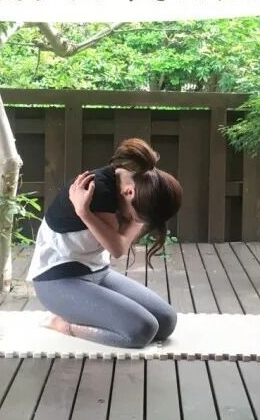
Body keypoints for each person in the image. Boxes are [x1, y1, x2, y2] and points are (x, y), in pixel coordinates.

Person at [26, 137, 183, 348]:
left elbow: (121, 242)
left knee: (166, 321)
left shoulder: (141, 183)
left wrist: (86, 213)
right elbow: (118, 248)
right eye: (137, 218)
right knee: (141, 331)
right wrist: (83, 211)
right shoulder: (97, 191)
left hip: (98, 273)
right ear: (129, 192)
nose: (137, 224)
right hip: (57, 281)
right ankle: (62, 324)